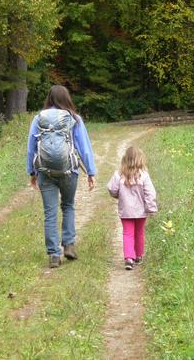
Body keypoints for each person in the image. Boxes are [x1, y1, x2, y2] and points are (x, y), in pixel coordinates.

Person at [27, 85, 96, 268]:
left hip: (44, 171)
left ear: (49, 98)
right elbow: (84, 148)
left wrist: (32, 172)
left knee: (50, 212)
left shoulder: (38, 118)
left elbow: (31, 147)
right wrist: (90, 172)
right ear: (66, 98)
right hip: (69, 171)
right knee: (68, 206)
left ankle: (53, 255)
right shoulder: (74, 118)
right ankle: (69, 245)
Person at [107, 146, 157, 270]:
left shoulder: (119, 174)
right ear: (140, 159)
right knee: (139, 232)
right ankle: (139, 255)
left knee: (127, 233)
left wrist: (117, 195)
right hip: (141, 211)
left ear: (125, 159)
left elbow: (111, 188)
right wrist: (151, 208)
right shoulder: (144, 175)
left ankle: (129, 258)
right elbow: (150, 193)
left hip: (126, 211)